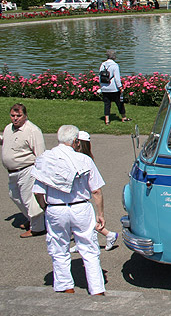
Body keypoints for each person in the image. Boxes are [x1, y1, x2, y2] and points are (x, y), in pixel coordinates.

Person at [31, 125, 106, 295]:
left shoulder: (45, 159)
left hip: (56, 209)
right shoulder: (85, 160)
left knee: (59, 248)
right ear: (75, 141)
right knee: (89, 249)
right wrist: (100, 214)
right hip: (80, 207)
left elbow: (38, 191)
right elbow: (96, 190)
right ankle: (97, 289)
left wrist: (45, 207)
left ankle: (66, 287)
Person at [1, 103, 46, 237]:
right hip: (12, 171)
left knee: (28, 199)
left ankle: (37, 227)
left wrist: (40, 174)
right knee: (14, 195)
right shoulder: (9, 128)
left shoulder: (32, 131)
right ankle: (31, 219)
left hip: (27, 169)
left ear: (25, 116)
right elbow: (9, 141)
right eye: (13, 115)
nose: (15, 118)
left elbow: (40, 154)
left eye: (19, 116)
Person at [68, 131, 117, 252]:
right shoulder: (87, 157)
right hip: (80, 196)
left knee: (83, 222)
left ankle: (109, 235)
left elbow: (96, 190)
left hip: (79, 197)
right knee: (82, 223)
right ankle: (85, 242)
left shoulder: (82, 159)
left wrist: (100, 213)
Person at [99, 49, 130, 125]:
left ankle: (107, 120)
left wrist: (101, 86)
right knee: (119, 103)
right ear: (114, 56)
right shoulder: (115, 65)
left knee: (107, 104)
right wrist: (120, 87)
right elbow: (117, 78)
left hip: (104, 88)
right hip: (113, 88)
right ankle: (123, 117)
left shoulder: (102, 64)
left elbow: (100, 76)